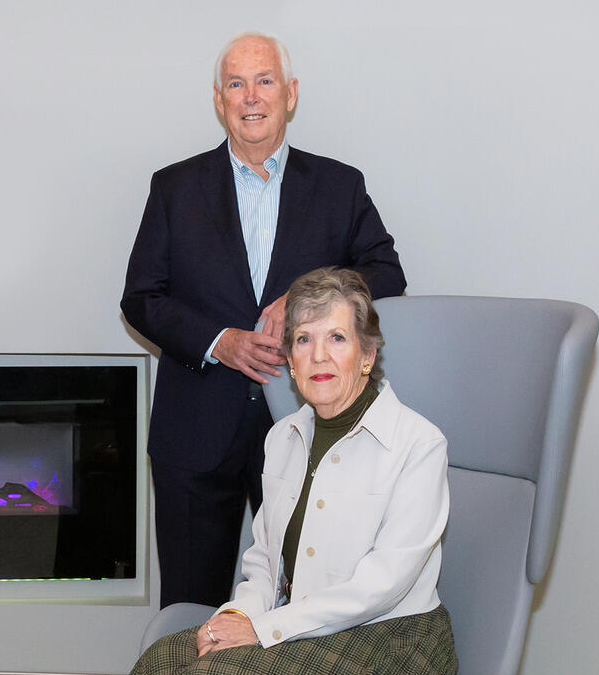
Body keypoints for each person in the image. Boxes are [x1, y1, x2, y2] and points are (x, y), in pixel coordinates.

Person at [120, 32, 407, 608]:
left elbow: (387, 273)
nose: (251, 97)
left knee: (309, 607)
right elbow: (140, 298)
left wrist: (308, 299)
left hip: (312, 434)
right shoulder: (174, 188)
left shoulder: (339, 185)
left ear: (290, 93)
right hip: (194, 438)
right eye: (236, 83)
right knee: (190, 609)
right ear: (220, 99)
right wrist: (217, 341)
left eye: (264, 80)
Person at [124, 268, 456, 675]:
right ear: (291, 362)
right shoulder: (283, 437)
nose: (319, 355)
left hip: (393, 636)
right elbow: (264, 560)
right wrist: (238, 616)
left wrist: (263, 630)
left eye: (337, 337)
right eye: (303, 339)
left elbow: (381, 587)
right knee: (157, 670)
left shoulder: (418, 445)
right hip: (301, 622)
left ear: (367, 354)